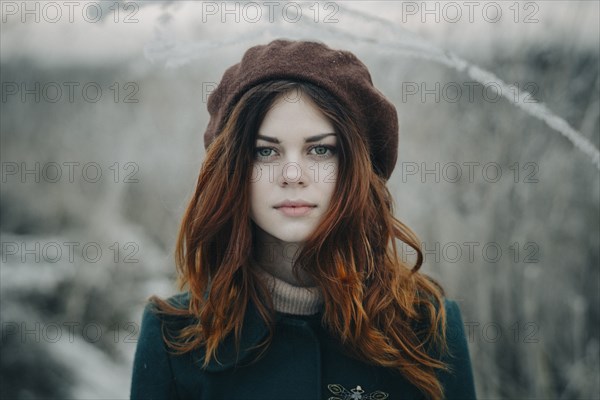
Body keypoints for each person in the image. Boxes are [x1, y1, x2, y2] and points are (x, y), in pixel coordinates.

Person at [130, 38, 477, 400]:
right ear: (232, 171)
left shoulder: (427, 328)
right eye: (265, 151)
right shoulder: (174, 338)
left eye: (320, 150)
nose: (292, 174)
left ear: (356, 168)